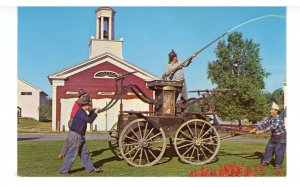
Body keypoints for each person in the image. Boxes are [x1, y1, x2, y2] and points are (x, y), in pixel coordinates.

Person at [60, 95, 102, 174]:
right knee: (72, 154)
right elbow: (89, 120)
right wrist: (95, 112)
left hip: (79, 136)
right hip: (76, 136)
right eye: (89, 104)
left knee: (84, 153)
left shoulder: (82, 112)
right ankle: (64, 171)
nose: (90, 106)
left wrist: (93, 112)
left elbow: (88, 118)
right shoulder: (80, 112)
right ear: (85, 105)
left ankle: (90, 168)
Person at [249, 102, 286, 169]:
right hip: (274, 137)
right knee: (268, 149)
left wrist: (261, 131)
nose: (270, 111)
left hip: (281, 138)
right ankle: (265, 162)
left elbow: (272, 127)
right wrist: (254, 129)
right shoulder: (270, 118)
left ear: (276, 111)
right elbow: (263, 124)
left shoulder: (278, 119)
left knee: (278, 151)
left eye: (271, 110)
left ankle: (278, 165)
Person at [58, 89, 87, 159]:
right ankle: (81, 154)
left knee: (73, 138)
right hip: (75, 121)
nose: (85, 96)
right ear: (81, 96)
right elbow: (87, 108)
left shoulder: (78, 102)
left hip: (74, 121)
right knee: (78, 138)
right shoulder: (80, 102)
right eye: (84, 95)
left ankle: (63, 153)